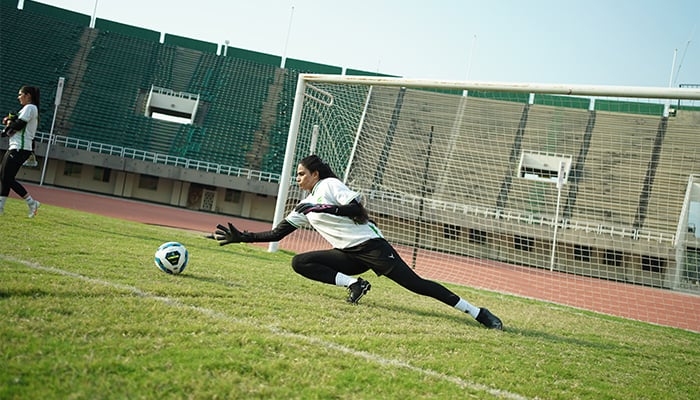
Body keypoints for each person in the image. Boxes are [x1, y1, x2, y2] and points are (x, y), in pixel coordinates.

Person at [211, 154, 503, 330]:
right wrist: (243, 237)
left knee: (418, 286)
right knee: (300, 262)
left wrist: (323, 208)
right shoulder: (303, 206)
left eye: (301, 174)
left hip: (372, 248)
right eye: (297, 174)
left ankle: (478, 313)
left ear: (314, 174)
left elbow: (356, 209)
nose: (297, 178)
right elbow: (277, 234)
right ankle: (354, 284)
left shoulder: (328, 185)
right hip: (348, 255)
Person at [0, 85, 41, 217]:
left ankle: (31, 202)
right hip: (16, 146)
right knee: (4, 176)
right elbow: (15, 123)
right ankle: (0, 206)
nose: (18, 97)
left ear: (28, 95)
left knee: (6, 177)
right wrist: (9, 121)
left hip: (21, 147)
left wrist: (7, 129)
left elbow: (18, 125)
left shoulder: (30, 108)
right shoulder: (27, 108)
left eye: (20, 94)